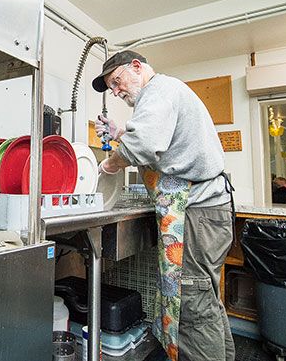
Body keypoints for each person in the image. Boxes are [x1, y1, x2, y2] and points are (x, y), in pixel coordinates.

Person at [92, 50, 235, 361]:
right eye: (112, 88)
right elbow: (158, 141)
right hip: (205, 212)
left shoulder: (159, 90)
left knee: (192, 302)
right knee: (203, 296)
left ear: (137, 67)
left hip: (198, 213)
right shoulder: (164, 94)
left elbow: (142, 145)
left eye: (117, 82)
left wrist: (109, 166)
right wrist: (119, 134)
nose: (117, 91)